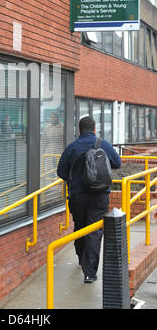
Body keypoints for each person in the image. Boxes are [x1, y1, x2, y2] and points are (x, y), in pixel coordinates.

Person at [57, 116, 121, 283]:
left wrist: (74, 179)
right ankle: (90, 273)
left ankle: (80, 258)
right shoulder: (103, 144)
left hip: (77, 196)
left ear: (79, 130)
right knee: (94, 231)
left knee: (79, 227)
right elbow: (116, 163)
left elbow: (61, 171)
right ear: (94, 129)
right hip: (99, 196)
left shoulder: (72, 147)